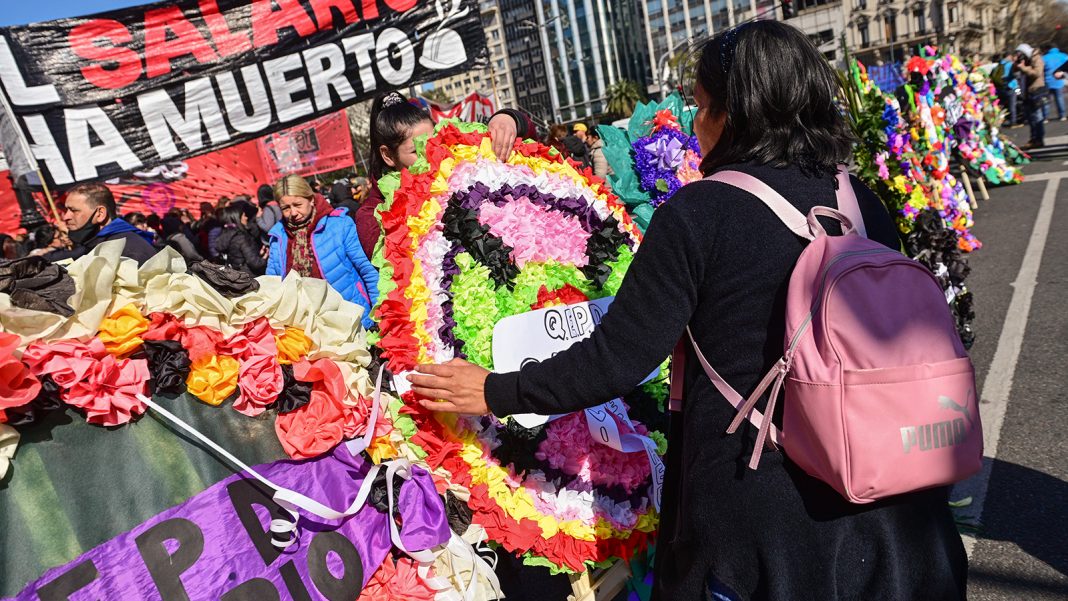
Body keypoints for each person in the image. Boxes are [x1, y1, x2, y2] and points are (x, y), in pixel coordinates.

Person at [408, 21, 967, 601]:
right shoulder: (861, 202)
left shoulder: (701, 213)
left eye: (700, 107)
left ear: (736, 112)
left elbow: (619, 356)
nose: (694, 125)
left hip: (770, 525)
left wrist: (497, 391)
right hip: (897, 510)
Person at [355, 92, 537, 260]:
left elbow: (529, 135)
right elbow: (402, 273)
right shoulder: (372, 214)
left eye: (433, 141)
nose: (430, 155)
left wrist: (508, 119)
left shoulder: (457, 160)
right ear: (387, 155)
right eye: (416, 150)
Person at [266, 175, 380, 329]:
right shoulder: (278, 238)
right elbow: (272, 286)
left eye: (298, 204)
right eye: (286, 208)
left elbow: (368, 271)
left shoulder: (340, 225)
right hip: (306, 328)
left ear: (311, 199)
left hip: (352, 320)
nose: (293, 212)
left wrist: (380, 313)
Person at [47, 183, 156, 265]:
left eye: (74, 210)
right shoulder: (99, 243)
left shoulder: (128, 251)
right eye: (66, 210)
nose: (66, 217)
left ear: (100, 214)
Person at [214, 204, 267, 275]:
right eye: (243, 215)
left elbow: (239, 255)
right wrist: (265, 257)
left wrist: (258, 254)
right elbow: (255, 263)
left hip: (235, 275)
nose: (246, 218)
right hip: (249, 277)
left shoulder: (226, 234)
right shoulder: (240, 237)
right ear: (237, 218)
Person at [1014, 43, 1047, 150]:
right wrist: (1017, 65)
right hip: (1027, 91)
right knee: (1030, 117)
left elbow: (1037, 73)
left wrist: (1024, 68)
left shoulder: (1036, 58)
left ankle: (1038, 139)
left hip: (1036, 90)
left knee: (1037, 116)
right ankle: (1033, 138)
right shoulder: (1027, 60)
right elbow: (1015, 73)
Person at [1043, 44, 1068, 120]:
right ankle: (1062, 115)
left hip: (1048, 81)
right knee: (1059, 98)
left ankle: (1045, 117)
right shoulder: (1063, 55)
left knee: (1046, 100)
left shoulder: (1044, 57)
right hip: (1059, 81)